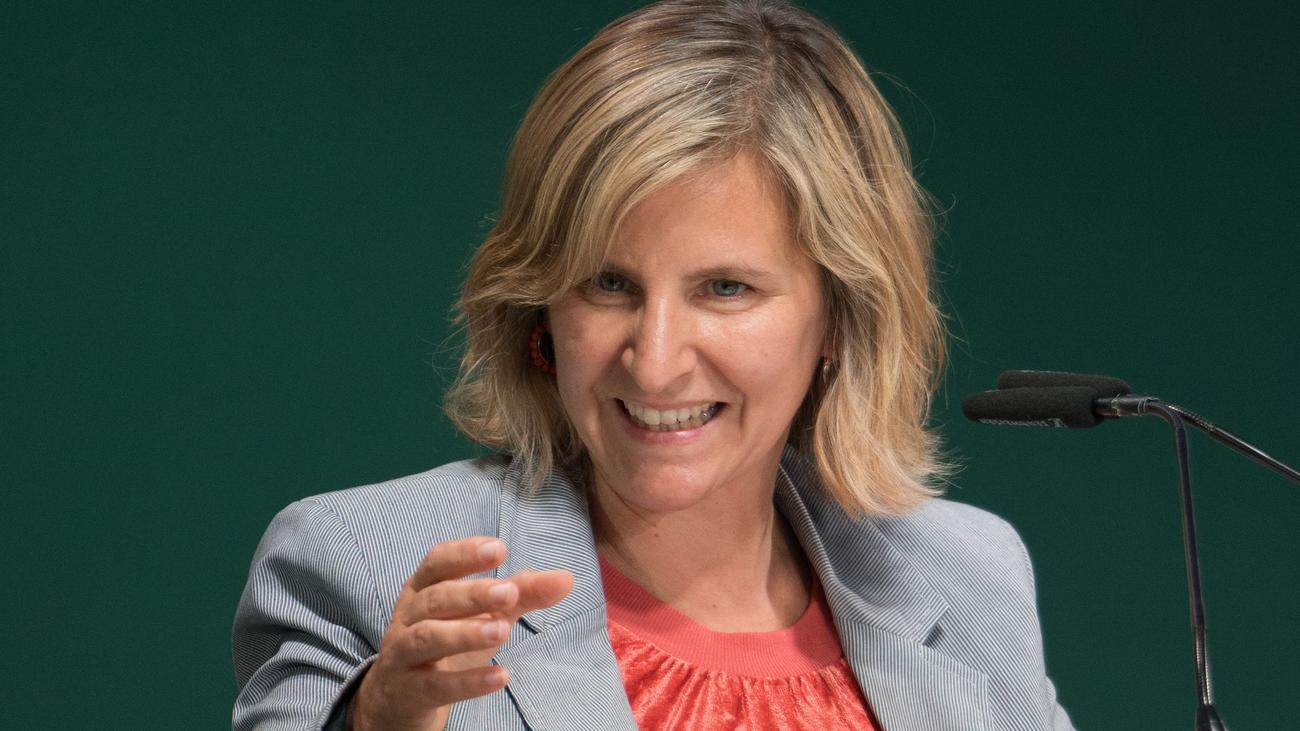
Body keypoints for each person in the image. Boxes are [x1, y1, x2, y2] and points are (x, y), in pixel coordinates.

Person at [233, 1, 1074, 729]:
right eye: (609, 284)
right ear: (540, 308)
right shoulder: (359, 562)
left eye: (725, 287)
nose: (656, 361)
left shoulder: (969, 573)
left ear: (839, 317)